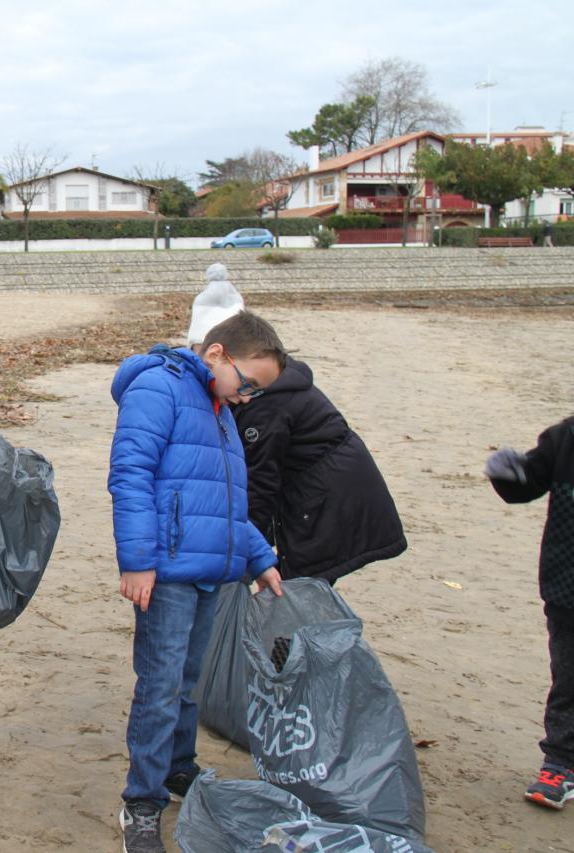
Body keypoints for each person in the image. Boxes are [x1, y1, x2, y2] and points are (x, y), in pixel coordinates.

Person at [108, 310, 285, 853]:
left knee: (189, 683)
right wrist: (138, 560)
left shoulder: (219, 404)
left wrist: (257, 556)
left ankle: (179, 768)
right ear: (217, 355)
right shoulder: (158, 387)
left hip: (213, 569)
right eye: (247, 383)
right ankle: (141, 802)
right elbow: (129, 473)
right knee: (160, 687)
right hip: (167, 571)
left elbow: (224, 496)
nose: (246, 397)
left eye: (256, 392)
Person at [233, 356, 407, 584]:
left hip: (328, 501)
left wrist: (249, 558)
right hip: (322, 490)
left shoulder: (263, 405)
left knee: (300, 588)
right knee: (297, 586)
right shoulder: (268, 382)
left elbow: (260, 487)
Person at [485, 417, 574, 811]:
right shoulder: (566, 437)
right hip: (568, 585)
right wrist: (510, 472)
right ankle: (561, 763)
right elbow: (527, 486)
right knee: (569, 676)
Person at [185, 262, 243, 348]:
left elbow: (197, 324)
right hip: (231, 342)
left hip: (202, 342)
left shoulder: (201, 298)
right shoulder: (236, 297)